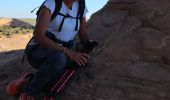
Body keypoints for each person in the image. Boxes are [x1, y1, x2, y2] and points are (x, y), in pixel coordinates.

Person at [19, 0, 91, 99]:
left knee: (60, 79)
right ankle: (29, 91)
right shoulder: (51, 4)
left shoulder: (81, 5)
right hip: (39, 50)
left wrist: (88, 43)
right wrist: (68, 52)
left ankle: (28, 79)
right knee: (59, 59)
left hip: (62, 51)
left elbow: (83, 34)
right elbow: (38, 36)